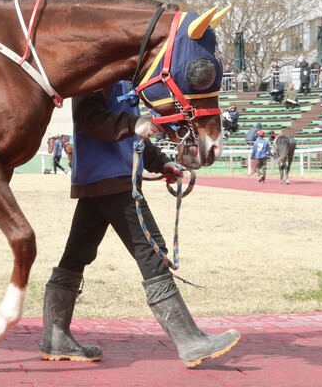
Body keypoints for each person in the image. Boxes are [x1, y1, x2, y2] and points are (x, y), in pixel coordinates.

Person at [39, 80, 240, 367]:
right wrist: (135, 123)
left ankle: (55, 337)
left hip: (103, 179)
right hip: (113, 180)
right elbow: (88, 118)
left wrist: (160, 163)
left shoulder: (125, 78)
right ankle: (190, 341)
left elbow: (133, 136)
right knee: (152, 252)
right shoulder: (97, 74)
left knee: (76, 256)